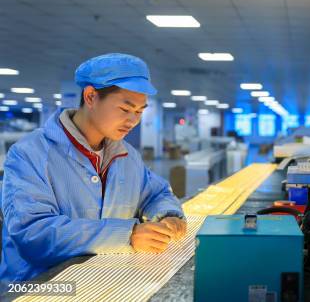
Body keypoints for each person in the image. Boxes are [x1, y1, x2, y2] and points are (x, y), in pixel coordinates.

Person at [0, 53, 187, 291]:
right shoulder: (29, 154)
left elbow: (155, 193)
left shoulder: (127, 156)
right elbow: (33, 234)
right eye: (124, 108)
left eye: (140, 111)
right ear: (90, 96)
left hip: (100, 283)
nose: (133, 121)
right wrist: (127, 235)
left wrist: (167, 215)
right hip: (39, 287)